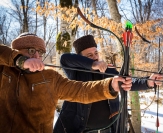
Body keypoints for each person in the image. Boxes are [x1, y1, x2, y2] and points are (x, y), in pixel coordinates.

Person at [0, 32, 133, 133]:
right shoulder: (4, 71)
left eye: (40, 52)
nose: (36, 56)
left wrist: (111, 85)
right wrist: (21, 61)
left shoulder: (50, 77)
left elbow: (81, 90)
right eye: (31, 51)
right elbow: (66, 58)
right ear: (16, 52)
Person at [53, 35, 163, 133]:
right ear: (80, 58)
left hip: (108, 128)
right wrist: (93, 64)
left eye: (96, 53)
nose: (95, 57)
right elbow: (64, 58)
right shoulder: (75, 73)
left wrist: (148, 81)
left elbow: (126, 83)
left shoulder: (108, 71)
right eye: (89, 55)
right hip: (81, 129)